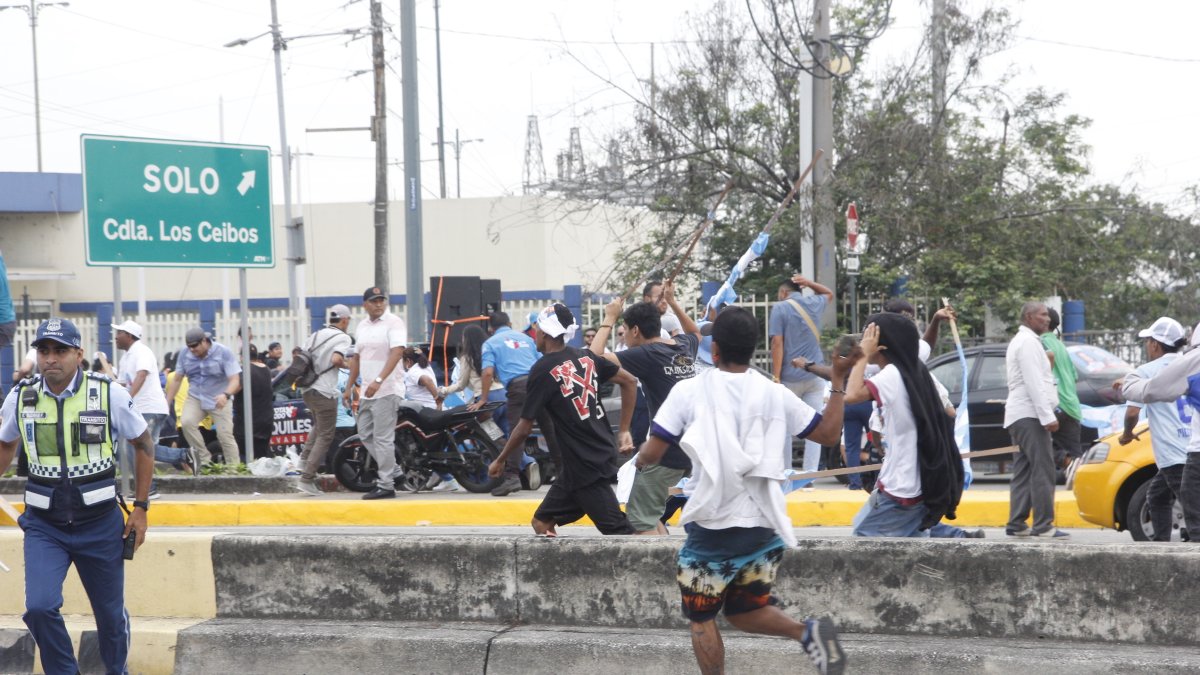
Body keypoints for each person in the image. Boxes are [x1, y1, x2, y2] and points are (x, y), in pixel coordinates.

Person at [633, 306, 854, 675]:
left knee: (701, 616)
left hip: (712, 526)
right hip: (763, 527)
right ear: (753, 349)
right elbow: (829, 435)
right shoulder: (775, 393)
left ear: (714, 349)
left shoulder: (689, 390)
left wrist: (639, 457)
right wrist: (838, 381)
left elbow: (653, 452)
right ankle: (807, 632)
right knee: (744, 611)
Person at [0, 318, 155, 675]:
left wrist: (141, 508)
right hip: (44, 526)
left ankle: (116, 670)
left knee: (110, 616)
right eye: (43, 350)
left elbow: (143, 444)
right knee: (39, 607)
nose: (50, 358)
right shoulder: (22, 396)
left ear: (78, 354)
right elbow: (6, 443)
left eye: (60, 350)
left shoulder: (108, 393)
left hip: (100, 524)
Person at [487, 303, 639, 535]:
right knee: (541, 523)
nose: (535, 334)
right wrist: (624, 429)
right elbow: (629, 381)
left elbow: (523, 427)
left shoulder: (542, 369)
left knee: (621, 534)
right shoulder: (585, 357)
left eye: (537, 329)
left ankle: (660, 552)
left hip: (586, 465)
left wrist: (500, 460)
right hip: (580, 463)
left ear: (545, 333)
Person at [590, 280, 700, 535]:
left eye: (625, 330)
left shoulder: (647, 354)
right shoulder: (682, 346)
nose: (625, 336)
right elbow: (696, 333)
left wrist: (609, 318)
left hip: (667, 450)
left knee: (640, 520)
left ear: (636, 330)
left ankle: (658, 561)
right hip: (693, 447)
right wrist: (673, 302)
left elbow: (592, 358)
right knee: (651, 514)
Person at [844, 314, 964, 538]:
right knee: (911, 546)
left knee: (863, 543)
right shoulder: (914, 369)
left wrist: (862, 355)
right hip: (914, 481)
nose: (862, 342)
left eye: (867, 337)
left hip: (903, 488)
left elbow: (851, 396)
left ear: (881, 345)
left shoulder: (893, 374)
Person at [1120, 323, 1200, 543]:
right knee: (1157, 495)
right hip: (1186, 445)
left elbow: (1134, 409)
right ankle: (1162, 544)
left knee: (1193, 509)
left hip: (1175, 451)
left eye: (1148, 341)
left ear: (1155, 344)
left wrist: (1127, 433)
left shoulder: (1153, 370)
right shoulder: (1186, 362)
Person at [472, 311, 557, 497]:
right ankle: (565, 471)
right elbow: (542, 361)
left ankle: (512, 478)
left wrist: (484, 399)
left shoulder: (490, 343)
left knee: (517, 433)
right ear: (510, 324)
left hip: (518, 388)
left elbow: (487, 372)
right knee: (550, 430)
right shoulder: (526, 338)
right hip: (540, 383)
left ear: (491, 328)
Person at [1004, 302, 1067, 539]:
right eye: (1042, 315)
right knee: (1043, 468)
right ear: (1029, 317)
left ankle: (1017, 523)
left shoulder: (1025, 341)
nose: (1048, 319)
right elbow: (1034, 382)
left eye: (1047, 315)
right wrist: (1047, 416)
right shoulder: (1028, 343)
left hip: (1021, 415)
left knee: (1023, 469)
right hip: (1030, 415)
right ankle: (1043, 525)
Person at [344, 287, 406, 500]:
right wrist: (348, 387)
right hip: (367, 391)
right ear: (365, 305)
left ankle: (386, 485)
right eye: (374, 301)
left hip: (387, 389)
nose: (379, 304)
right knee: (365, 433)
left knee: (382, 438)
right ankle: (395, 471)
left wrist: (379, 380)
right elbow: (356, 358)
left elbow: (398, 352)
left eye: (381, 300)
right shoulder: (362, 326)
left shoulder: (394, 322)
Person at [98, 319, 171, 500]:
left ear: (129, 336)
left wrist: (127, 398)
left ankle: (149, 488)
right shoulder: (126, 358)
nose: (115, 337)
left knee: (139, 446)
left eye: (119, 333)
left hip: (150, 407)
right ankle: (184, 456)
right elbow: (123, 383)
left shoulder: (142, 351)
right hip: (139, 408)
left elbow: (142, 375)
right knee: (136, 446)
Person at [770, 273, 834, 473]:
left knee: (784, 427)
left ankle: (786, 474)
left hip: (790, 377)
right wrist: (809, 283)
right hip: (814, 375)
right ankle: (810, 476)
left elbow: (777, 343)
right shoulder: (814, 303)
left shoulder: (780, 308)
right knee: (815, 427)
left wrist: (776, 376)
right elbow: (829, 293)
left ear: (783, 292)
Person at [296, 304, 354, 496]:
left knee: (318, 427)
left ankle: (303, 461)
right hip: (324, 391)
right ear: (344, 320)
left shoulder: (315, 335)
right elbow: (336, 360)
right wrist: (350, 366)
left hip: (307, 389)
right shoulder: (343, 338)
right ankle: (307, 479)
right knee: (326, 435)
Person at [165, 326, 241, 467]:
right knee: (186, 422)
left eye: (195, 346)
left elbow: (235, 379)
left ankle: (234, 468)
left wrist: (226, 395)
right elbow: (177, 379)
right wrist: (167, 401)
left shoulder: (223, 352)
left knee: (225, 435)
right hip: (196, 397)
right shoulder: (185, 354)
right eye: (189, 347)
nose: (192, 350)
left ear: (205, 341)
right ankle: (205, 459)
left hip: (219, 397)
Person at [1043, 308, 1084, 470]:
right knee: (1075, 456)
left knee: (1033, 444)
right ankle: (1074, 468)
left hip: (1054, 405)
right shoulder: (1060, 345)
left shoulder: (1039, 343)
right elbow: (1074, 376)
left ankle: (1065, 460)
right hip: (1072, 406)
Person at [438, 324, 504, 406]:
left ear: (466, 340)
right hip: (503, 393)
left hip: (486, 397)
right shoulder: (490, 353)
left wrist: (444, 390)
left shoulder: (467, 358)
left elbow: (461, 385)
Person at [233, 345, 274, 459]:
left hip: (248, 422)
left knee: (244, 456)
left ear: (242, 357)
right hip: (266, 421)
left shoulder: (244, 370)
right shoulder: (266, 369)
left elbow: (235, 388)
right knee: (262, 457)